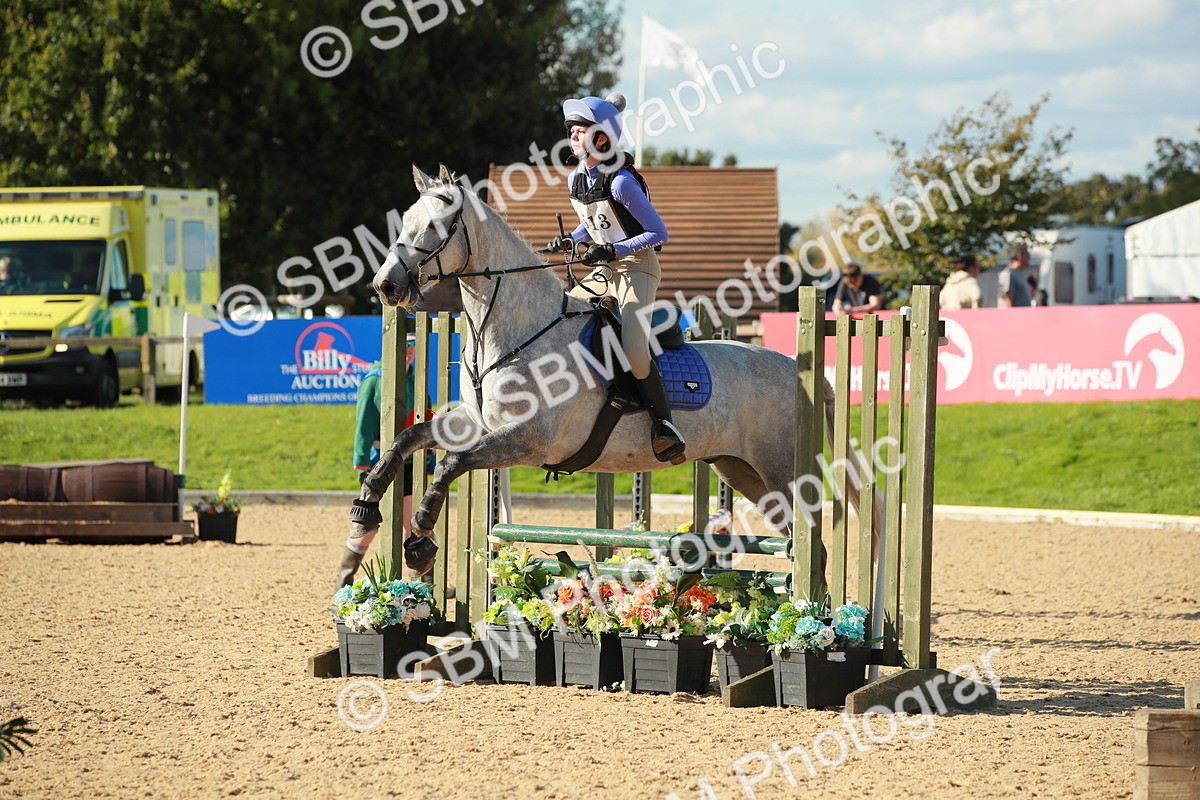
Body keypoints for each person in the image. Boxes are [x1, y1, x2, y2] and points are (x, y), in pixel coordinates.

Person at [546, 91, 685, 465]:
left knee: (635, 349)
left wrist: (614, 250)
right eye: (571, 131)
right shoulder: (577, 179)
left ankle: (665, 426)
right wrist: (571, 239)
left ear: (602, 138)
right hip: (604, 271)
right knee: (561, 317)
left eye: (581, 130)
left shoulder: (623, 182)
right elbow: (592, 223)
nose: (573, 136)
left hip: (638, 268)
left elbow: (659, 233)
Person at [337, 334, 431, 587]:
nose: (409, 351)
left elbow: (426, 419)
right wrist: (361, 460)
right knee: (369, 528)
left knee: (414, 523)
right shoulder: (373, 379)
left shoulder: (416, 378)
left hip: (409, 463)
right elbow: (363, 422)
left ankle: (425, 584)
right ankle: (344, 582)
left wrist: (430, 456)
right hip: (378, 463)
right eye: (405, 346)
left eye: (413, 346)